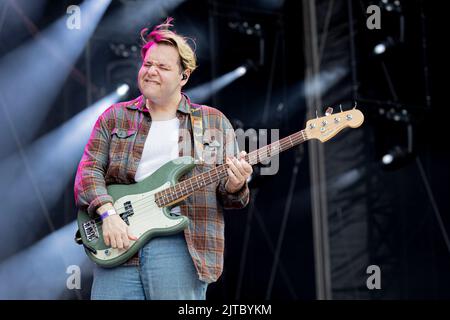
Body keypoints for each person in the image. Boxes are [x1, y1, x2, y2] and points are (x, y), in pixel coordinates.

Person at [74, 18, 252, 300]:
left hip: (179, 245)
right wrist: (107, 214)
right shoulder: (115, 116)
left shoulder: (212, 122)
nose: (151, 71)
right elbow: (88, 170)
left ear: (184, 76)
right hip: (117, 240)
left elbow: (233, 199)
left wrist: (235, 184)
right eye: (148, 64)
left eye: (163, 67)